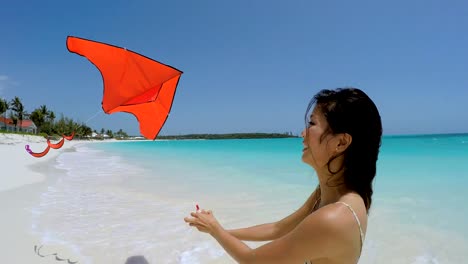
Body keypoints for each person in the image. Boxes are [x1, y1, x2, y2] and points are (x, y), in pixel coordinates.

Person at [184, 88, 382, 264]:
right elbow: (278, 229)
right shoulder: (329, 193)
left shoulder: (333, 218)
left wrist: (215, 230)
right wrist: (219, 229)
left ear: (340, 143)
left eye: (312, 123)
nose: (303, 133)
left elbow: (251, 261)